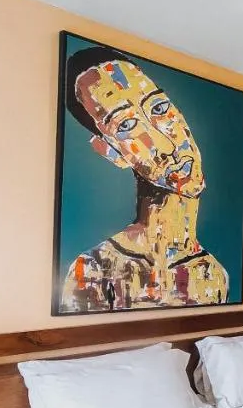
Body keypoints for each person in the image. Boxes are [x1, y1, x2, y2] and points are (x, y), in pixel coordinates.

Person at [59, 46, 228, 312]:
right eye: (126, 126)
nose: (167, 144)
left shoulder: (213, 274)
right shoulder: (94, 273)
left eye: (159, 107)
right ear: (111, 152)